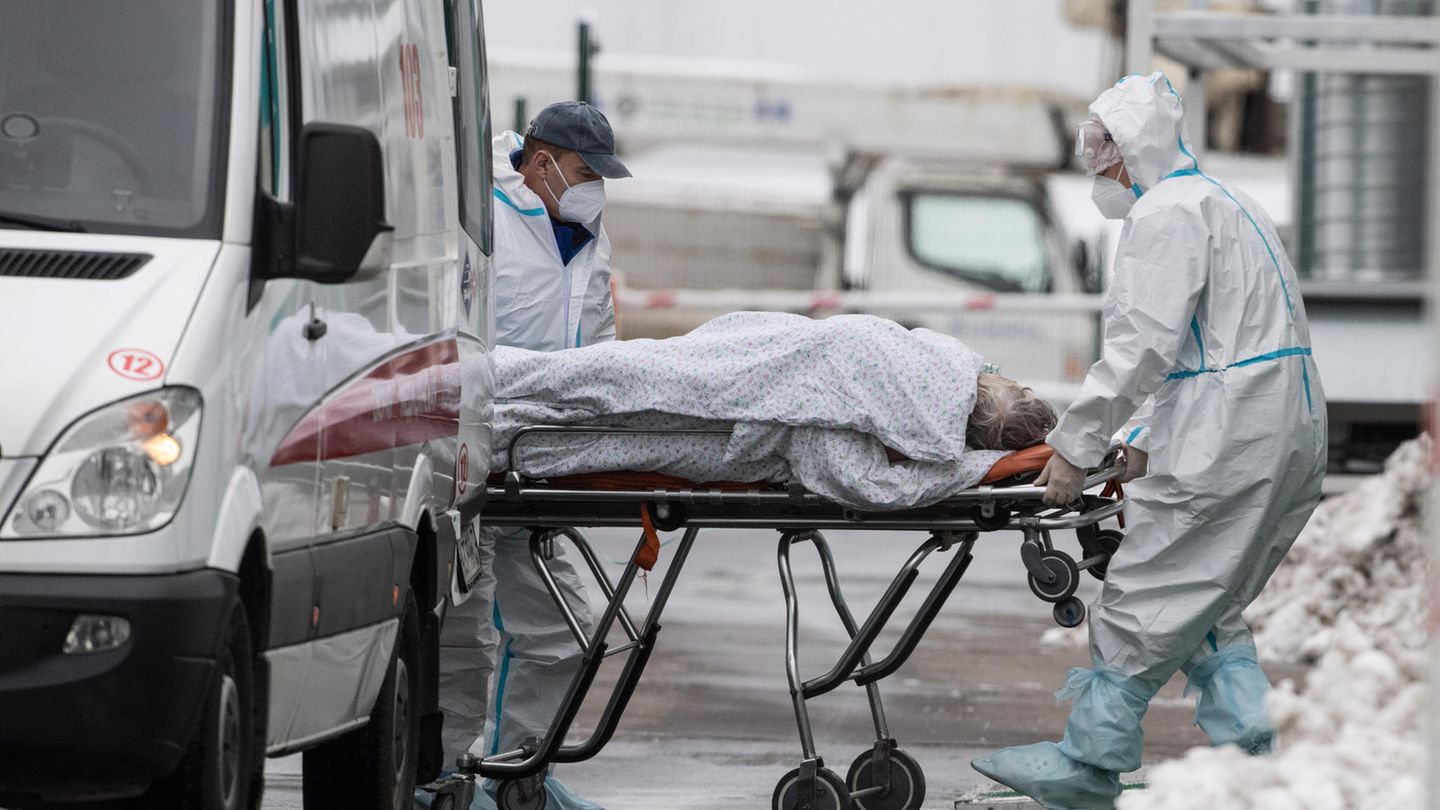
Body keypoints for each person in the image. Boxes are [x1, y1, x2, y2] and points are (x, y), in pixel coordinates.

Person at [971, 72, 1327, 809]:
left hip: (1229, 433)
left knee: (1144, 594)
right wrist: (1139, 437)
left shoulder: (1166, 213)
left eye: (1102, 146)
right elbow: (1209, 346)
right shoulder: (1225, 202)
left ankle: (1088, 765)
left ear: (1133, 147)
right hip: (1282, 426)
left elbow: (1142, 350)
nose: (1094, 161)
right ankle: (1256, 758)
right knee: (1205, 598)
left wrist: (1077, 446)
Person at [431, 101, 631, 810]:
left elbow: (598, 346)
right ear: (539, 161)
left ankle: (520, 771)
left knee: (562, 636)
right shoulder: (478, 217)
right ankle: (445, 780)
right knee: (462, 640)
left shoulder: (588, 234)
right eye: (585, 173)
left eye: (603, 177)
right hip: (468, 464)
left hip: (537, 469)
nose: (595, 189)